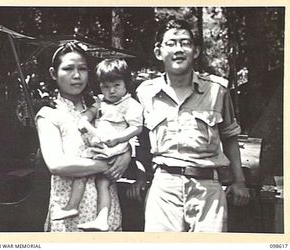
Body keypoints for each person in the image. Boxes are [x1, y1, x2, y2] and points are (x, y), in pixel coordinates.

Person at [136, 18, 250, 232]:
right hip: (164, 188)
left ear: (195, 51)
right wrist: (141, 178)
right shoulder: (145, 93)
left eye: (185, 43)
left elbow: (230, 138)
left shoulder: (217, 91)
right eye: (170, 43)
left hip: (208, 188)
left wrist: (239, 181)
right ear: (158, 52)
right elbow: (140, 141)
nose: (178, 49)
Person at [35, 42, 131, 232]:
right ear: (54, 73)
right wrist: (108, 165)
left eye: (82, 69)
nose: (77, 76)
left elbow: (123, 135)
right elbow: (57, 164)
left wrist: (126, 155)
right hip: (70, 212)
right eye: (68, 69)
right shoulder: (49, 114)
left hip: (105, 208)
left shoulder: (103, 108)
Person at [53, 58, 143, 231]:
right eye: (106, 87)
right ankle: (100, 217)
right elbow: (90, 112)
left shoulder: (130, 105)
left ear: (126, 84)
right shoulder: (101, 102)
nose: (111, 91)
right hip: (102, 147)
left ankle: (73, 206)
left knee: (83, 172)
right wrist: (85, 119)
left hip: (114, 146)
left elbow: (136, 128)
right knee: (101, 182)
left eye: (116, 85)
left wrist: (120, 139)